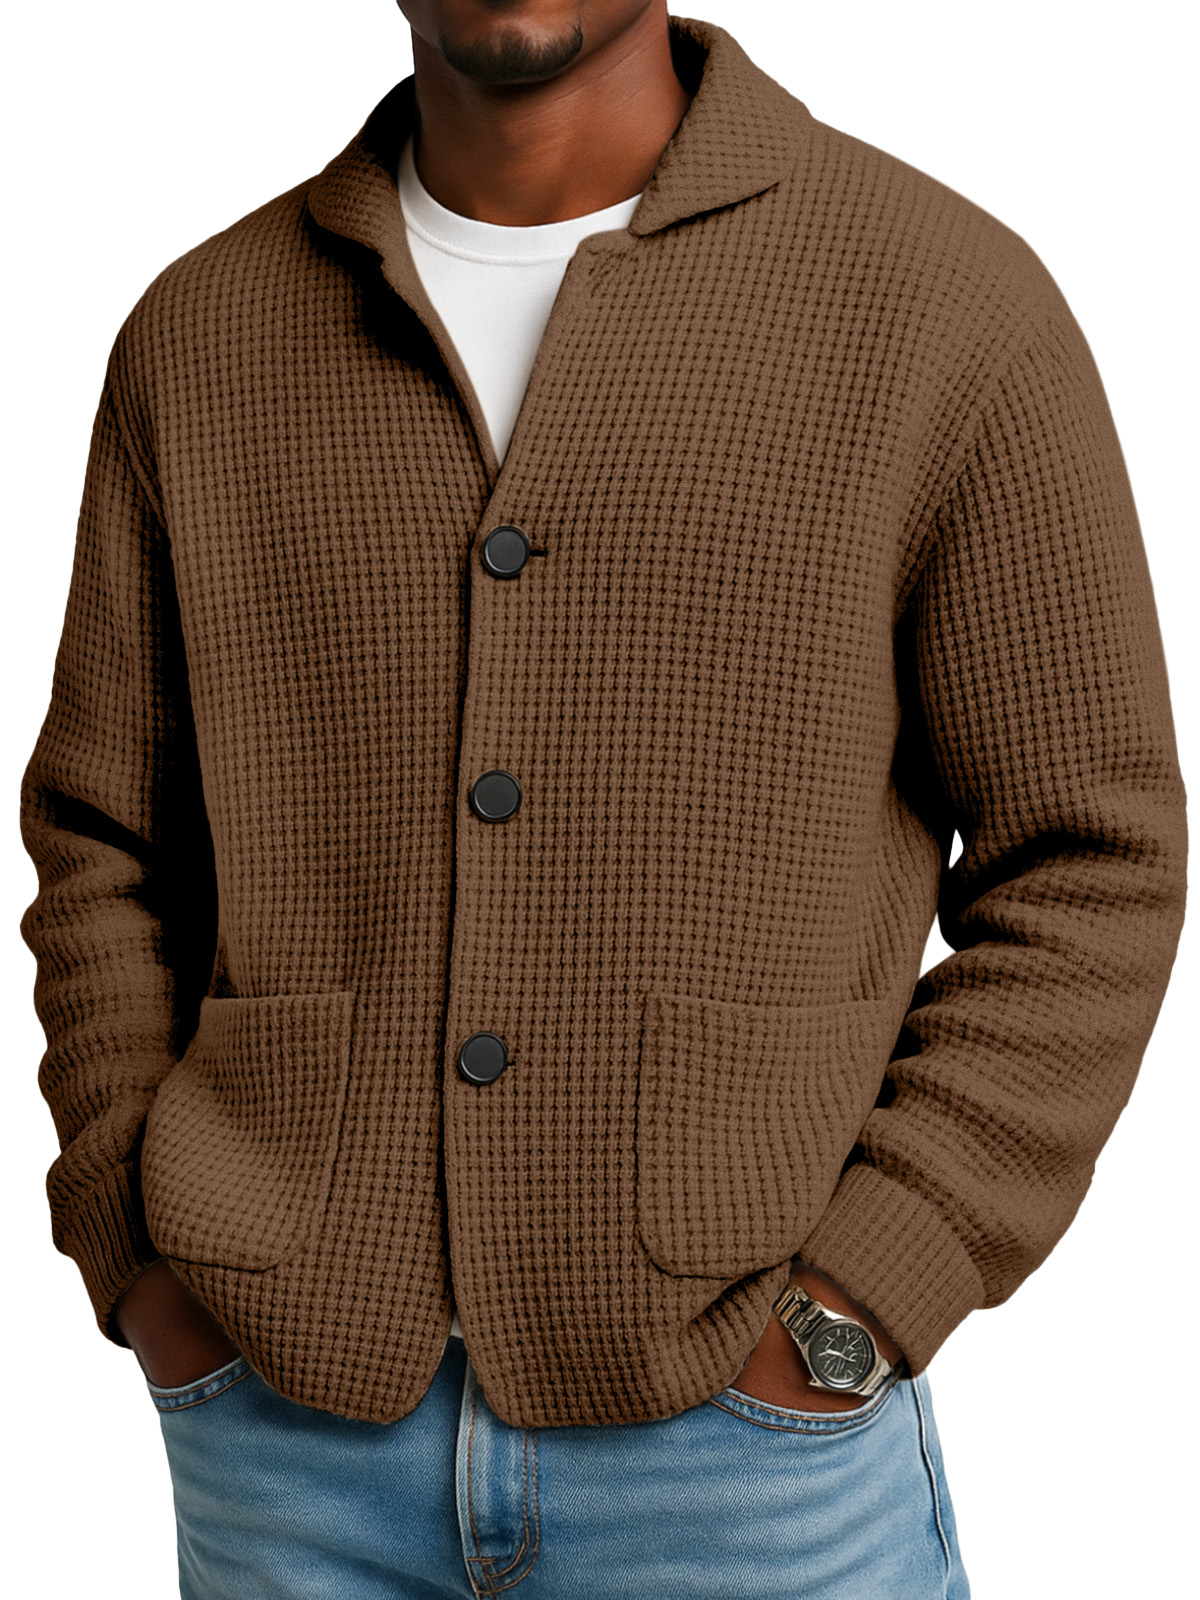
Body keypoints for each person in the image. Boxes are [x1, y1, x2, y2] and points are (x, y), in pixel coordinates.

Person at [18, 4, 1187, 1597]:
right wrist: (137, 1257)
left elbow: (1091, 857)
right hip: (286, 1445)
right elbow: (104, 839)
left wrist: (867, 1292)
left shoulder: (940, 300)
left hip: (749, 1459)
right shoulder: (203, 332)